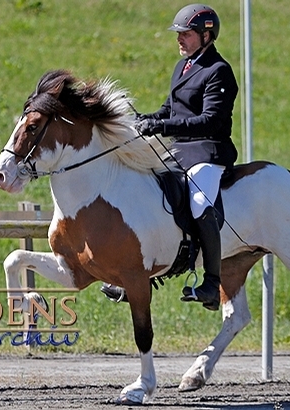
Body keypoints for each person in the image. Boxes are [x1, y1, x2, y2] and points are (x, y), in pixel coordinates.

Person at [102, 4, 238, 311]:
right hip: (178, 151)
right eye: (179, 35)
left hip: (207, 150)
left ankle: (211, 282)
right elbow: (170, 109)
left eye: (186, 35)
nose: (180, 40)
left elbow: (210, 120)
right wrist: (147, 120)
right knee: (147, 191)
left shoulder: (219, 71)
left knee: (201, 204)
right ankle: (139, 273)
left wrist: (162, 126)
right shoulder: (183, 67)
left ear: (207, 35)